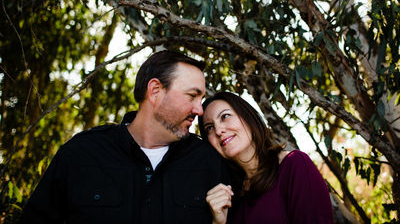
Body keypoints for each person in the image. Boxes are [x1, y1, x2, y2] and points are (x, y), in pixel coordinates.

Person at [19, 50, 230, 224]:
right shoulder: (82, 153)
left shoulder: (208, 162)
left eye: (201, 99)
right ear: (155, 90)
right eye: (192, 96)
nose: (199, 110)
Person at [198, 92, 333, 224]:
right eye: (209, 128)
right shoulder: (227, 193)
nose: (218, 130)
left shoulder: (294, 165)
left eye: (225, 116)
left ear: (248, 117)